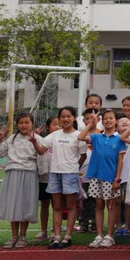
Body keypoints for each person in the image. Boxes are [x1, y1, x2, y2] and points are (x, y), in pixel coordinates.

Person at [31, 106, 85, 249]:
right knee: (56, 206)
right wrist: (34, 142)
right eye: (63, 117)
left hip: (70, 174)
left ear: (74, 118)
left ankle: (67, 237)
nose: (65, 119)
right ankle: (56, 237)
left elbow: (83, 155)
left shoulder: (78, 135)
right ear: (59, 119)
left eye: (69, 116)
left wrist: (74, 167)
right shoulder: (54, 135)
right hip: (55, 173)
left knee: (70, 205)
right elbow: (42, 151)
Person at [79, 109, 128, 248]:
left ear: (115, 121)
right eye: (105, 118)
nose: (108, 121)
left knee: (111, 206)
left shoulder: (119, 138)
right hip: (96, 176)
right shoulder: (96, 136)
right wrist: (91, 123)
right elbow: (81, 137)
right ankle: (99, 235)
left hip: (111, 177)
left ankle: (110, 235)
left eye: (111, 118)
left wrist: (117, 179)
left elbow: (121, 160)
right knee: (99, 206)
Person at [0, 113, 40, 249]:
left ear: (32, 123)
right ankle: (14, 236)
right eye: (20, 123)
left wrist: (42, 174)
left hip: (29, 173)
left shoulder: (37, 139)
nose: (23, 125)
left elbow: (41, 157)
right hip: (12, 173)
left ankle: (23, 236)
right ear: (17, 125)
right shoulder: (11, 139)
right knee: (14, 205)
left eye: (26, 122)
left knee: (25, 205)